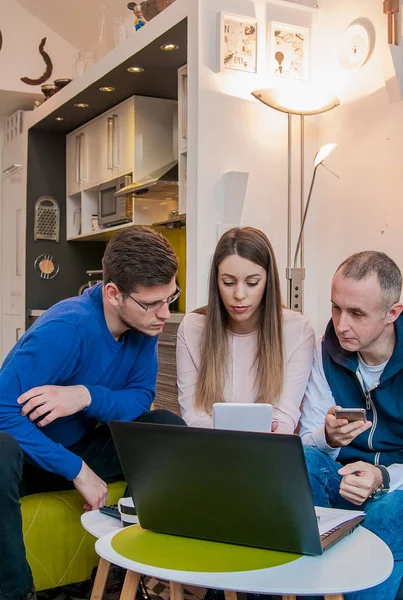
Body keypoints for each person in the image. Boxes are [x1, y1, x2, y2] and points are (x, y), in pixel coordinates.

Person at [0, 225, 186, 600]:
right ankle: (16, 592)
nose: (164, 314)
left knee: (166, 428)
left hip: (80, 443)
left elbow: (140, 398)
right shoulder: (67, 328)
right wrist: (77, 470)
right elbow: (3, 412)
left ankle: (122, 576)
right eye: (152, 304)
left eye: (171, 298)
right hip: (29, 460)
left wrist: (85, 395)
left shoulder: (144, 327)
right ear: (114, 293)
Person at [300, 250, 403, 600]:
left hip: (395, 486)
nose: (341, 324)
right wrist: (327, 437)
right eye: (335, 307)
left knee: (390, 511)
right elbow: (308, 442)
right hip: (341, 481)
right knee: (302, 462)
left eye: (357, 313)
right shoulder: (324, 351)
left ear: (392, 313)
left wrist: (384, 477)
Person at [177, 226, 315, 433]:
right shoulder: (193, 328)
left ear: (268, 281)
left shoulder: (298, 330)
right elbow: (192, 415)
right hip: (209, 448)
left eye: (252, 283)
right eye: (228, 282)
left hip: (268, 450)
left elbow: (285, 418)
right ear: (216, 282)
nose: (239, 294)